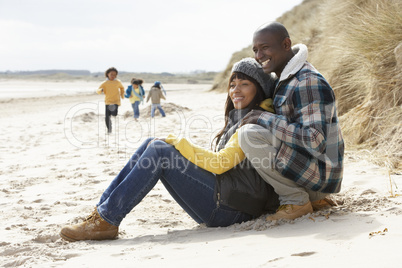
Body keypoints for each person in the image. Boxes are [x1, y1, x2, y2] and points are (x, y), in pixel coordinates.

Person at [59, 58, 279, 242]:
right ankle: (101, 214)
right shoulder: (241, 116)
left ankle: (107, 220)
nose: (235, 90)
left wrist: (179, 143)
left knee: (160, 151)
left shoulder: (253, 122)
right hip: (228, 199)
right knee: (152, 143)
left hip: (233, 210)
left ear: (259, 88)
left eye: (244, 84)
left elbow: (220, 164)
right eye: (232, 84)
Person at [238, 22, 344, 221]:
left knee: (249, 135)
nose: (259, 56)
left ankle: (296, 201)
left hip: (320, 180)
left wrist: (263, 117)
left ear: (286, 44)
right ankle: (311, 199)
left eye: (265, 47)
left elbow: (315, 140)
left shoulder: (307, 81)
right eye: (255, 50)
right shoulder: (285, 79)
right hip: (314, 175)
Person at [96, 67, 125, 133]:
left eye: (114, 75)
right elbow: (97, 90)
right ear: (107, 74)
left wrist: (122, 95)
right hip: (108, 101)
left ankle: (113, 113)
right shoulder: (105, 83)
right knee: (107, 117)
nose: (113, 76)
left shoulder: (118, 82)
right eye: (111, 74)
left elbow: (122, 88)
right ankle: (109, 129)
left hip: (116, 101)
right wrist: (101, 90)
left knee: (114, 114)